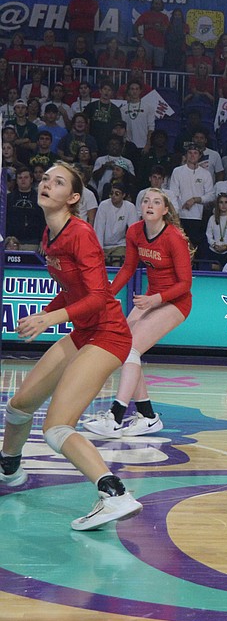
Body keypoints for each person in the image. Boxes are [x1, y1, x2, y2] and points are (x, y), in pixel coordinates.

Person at [0, 162, 143, 530]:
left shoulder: (80, 233)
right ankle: (9, 469)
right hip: (83, 331)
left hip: (108, 332)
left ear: (74, 197)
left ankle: (115, 495)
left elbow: (98, 296)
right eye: (46, 178)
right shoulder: (50, 235)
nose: (47, 183)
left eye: (58, 182)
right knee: (19, 406)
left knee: (57, 427)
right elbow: (72, 288)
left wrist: (50, 319)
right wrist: (43, 313)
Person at [84, 188, 194, 439]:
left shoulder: (174, 237)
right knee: (124, 348)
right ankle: (147, 417)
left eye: (156, 202)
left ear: (165, 210)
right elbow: (128, 267)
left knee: (131, 348)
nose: (150, 205)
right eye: (145, 201)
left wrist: (155, 299)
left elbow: (185, 284)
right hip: (150, 300)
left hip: (174, 302)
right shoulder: (134, 231)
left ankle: (114, 417)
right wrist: (107, 294)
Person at [170, 142, 215, 253]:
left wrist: (195, 199)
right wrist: (176, 213)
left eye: (195, 153)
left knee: (194, 248)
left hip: (197, 217)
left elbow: (211, 195)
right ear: (186, 155)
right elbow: (173, 193)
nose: (192, 155)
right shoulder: (178, 171)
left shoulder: (205, 174)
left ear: (200, 156)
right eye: (190, 153)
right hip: (180, 216)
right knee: (178, 247)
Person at [93, 181, 138, 264]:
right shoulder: (103, 205)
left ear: (123, 195)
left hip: (120, 245)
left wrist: (133, 251)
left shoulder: (130, 207)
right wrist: (100, 250)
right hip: (104, 245)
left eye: (117, 194)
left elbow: (134, 232)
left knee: (118, 267)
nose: (113, 196)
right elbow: (99, 229)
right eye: (112, 193)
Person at [205, 192, 227, 268]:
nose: (224, 205)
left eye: (226, 202)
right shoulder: (212, 218)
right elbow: (209, 235)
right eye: (221, 202)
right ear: (217, 204)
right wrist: (214, 245)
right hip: (214, 251)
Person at [134, 0, 169, 67]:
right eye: (155, 3)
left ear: (162, 6)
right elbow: (136, 25)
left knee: (158, 66)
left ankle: (156, 78)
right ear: (152, 4)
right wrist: (138, 37)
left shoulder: (164, 17)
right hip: (147, 42)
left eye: (159, 4)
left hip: (159, 44)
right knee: (146, 63)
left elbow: (166, 30)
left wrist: (157, 28)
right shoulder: (146, 14)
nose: (157, 5)